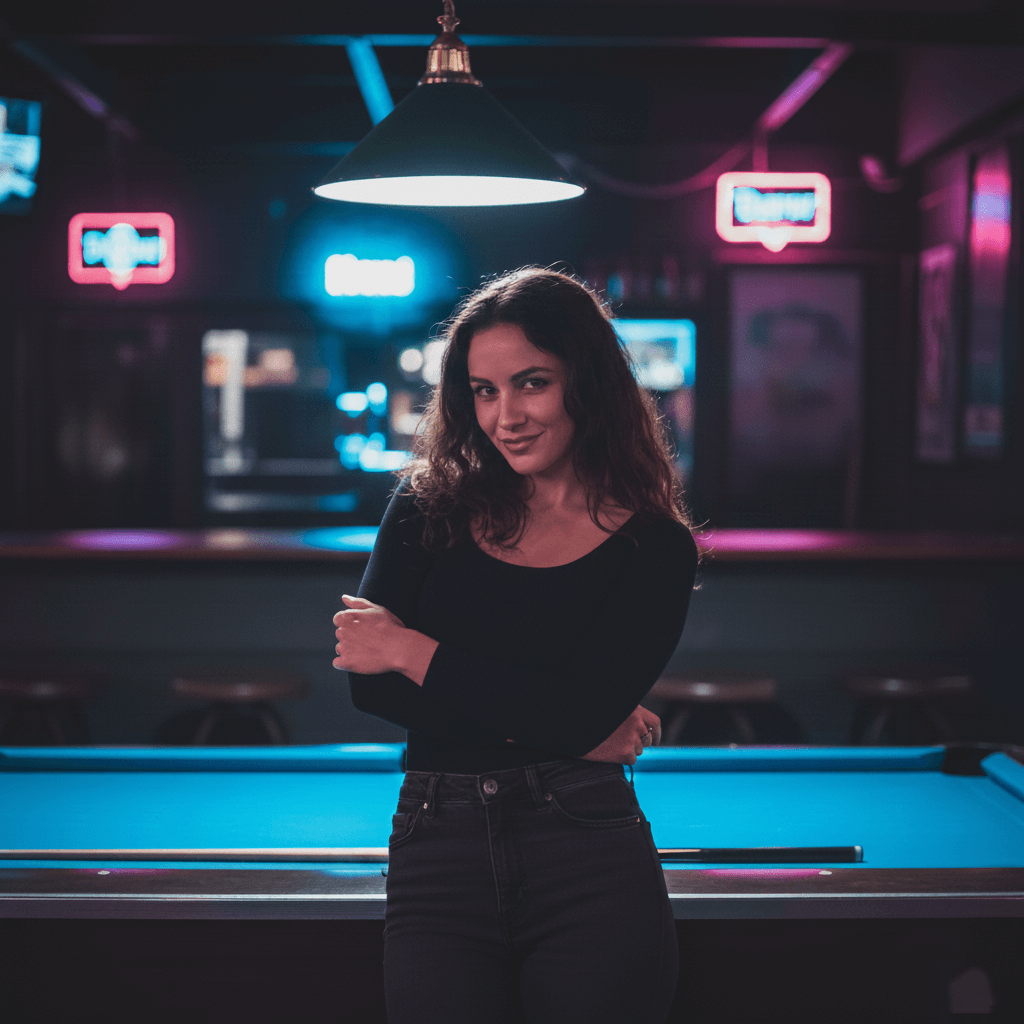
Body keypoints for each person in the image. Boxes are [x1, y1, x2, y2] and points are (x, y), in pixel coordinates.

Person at [332, 267, 698, 1024]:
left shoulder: (655, 546)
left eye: (532, 383)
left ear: (587, 383)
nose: (507, 417)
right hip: (438, 846)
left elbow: (573, 714)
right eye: (484, 390)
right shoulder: (425, 505)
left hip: (588, 852)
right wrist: (565, 723)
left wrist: (410, 650)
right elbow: (370, 687)